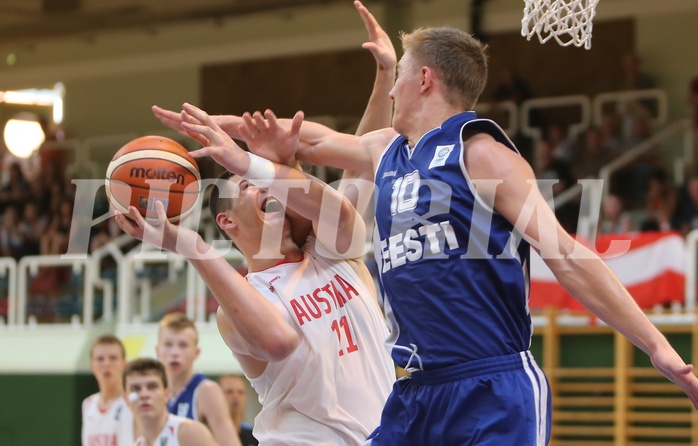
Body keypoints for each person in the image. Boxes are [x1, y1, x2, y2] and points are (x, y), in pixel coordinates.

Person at [177, 26, 698, 445]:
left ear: (424, 79)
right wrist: (222, 129)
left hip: (492, 385)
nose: (393, 84)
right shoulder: (386, 150)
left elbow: (567, 256)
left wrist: (656, 347)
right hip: (416, 393)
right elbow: (306, 137)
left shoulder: (482, 154)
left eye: (398, 74)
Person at [156, 312, 239, 446]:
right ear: (157, 350)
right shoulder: (155, 393)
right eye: (168, 345)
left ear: (196, 352)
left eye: (183, 345)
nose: (174, 352)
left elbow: (231, 444)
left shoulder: (206, 391)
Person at [124, 357, 217, 446]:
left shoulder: (188, 432)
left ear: (166, 394)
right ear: (126, 398)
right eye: (135, 388)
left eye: (152, 386)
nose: (144, 394)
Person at [82, 334, 135, 446]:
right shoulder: (88, 404)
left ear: (124, 364)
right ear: (92, 365)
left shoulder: (133, 403)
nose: (106, 364)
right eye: (100, 359)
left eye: (113, 358)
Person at [218, 374, 258, 446]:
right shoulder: (207, 434)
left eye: (240, 392)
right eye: (229, 392)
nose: (235, 396)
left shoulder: (254, 435)